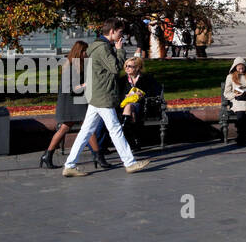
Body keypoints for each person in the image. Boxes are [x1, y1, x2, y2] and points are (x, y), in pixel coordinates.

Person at [61, 21, 151, 176]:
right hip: (103, 94)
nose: (121, 36)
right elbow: (115, 68)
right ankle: (130, 163)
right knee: (115, 129)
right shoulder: (103, 48)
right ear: (112, 31)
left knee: (86, 131)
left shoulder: (97, 46)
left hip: (97, 93)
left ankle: (69, 165)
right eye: (120, 32)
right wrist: (120, 50)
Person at [40, 41, 106, 169]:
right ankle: (98, 157)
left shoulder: (78, 64)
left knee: (72, 128)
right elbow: (71, 88)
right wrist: (86, 85)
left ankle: (47, 155)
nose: (87, 54)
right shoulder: (71, 66)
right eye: (85, 52)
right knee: (84, 127)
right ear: (79, 52)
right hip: (72, 102)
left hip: (75, 101)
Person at [118, 56, 162, 148]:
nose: (127, 68)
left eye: (130, 66)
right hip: (125, 106)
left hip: (144, 105)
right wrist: (125, 96)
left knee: (130, 107)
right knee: (131, 110)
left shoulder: (147, 78)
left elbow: (155, 91)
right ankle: (134, 139)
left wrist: (142, 95)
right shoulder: (122, 80)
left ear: (137, 68)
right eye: (126, 66)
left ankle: (126, 135)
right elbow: (117, 94)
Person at [222, 57, 246, 146]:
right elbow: (226, 93)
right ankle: (242, 137)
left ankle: (242, 136)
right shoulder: (230, 77)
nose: (241, 70)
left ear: (245, 67)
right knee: (241, 116)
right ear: (235, 67)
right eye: (239, 68)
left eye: (243, 68)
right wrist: (235, 94)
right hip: (237, 101)